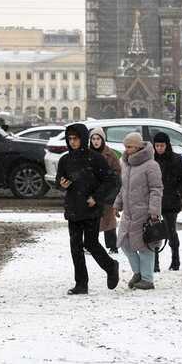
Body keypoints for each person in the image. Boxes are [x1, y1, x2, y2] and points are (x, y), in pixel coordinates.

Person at [57, 123, 121, 295]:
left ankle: (110, 266)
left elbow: (111, 180)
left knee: (91, 243)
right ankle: (81, 283)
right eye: (69, 139)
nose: (72, 142)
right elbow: (59, 180)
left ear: (83, 139)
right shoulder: (65, 160)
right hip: (73, 208)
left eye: (75, 138)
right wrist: (62, 184)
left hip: (91, 208)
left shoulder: (95, 158)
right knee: (75, 246)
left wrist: (97, 197)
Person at [114, 132, 163, 290]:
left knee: (145, 246)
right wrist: (117, 204)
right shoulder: (127, 164)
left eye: (130, 146)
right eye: (125, 146)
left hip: (144, 213)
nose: (127, 150)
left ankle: (147, 279)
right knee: (125, 243)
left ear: (138, 146)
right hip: (129, 213)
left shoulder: (151, 165)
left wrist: (154, 211)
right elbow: (124, 188)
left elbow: (156, 189)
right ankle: (138, 272)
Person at [153, 131, 182, 271]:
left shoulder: (176, 159)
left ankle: (175, 260)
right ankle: (154, 263)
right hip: (154, 202)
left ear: (167, 145)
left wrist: (179, 193)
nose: (159, 148)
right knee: (153, 233)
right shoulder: (151, 160)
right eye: (157, 145)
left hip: (171, 201)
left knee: (171, 231)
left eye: (162, 145)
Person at [89, 127, 122, 254]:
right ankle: (91, 244)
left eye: (98, 139)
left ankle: (112, 246)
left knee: (109, 220)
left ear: (102, 140)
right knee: (91, 220)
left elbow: (117, 173)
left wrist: (109, 179)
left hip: (108, 192)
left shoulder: (110, 154)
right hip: (92, 191)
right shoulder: (87, 153)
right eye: (93, 139)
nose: (96, 142)